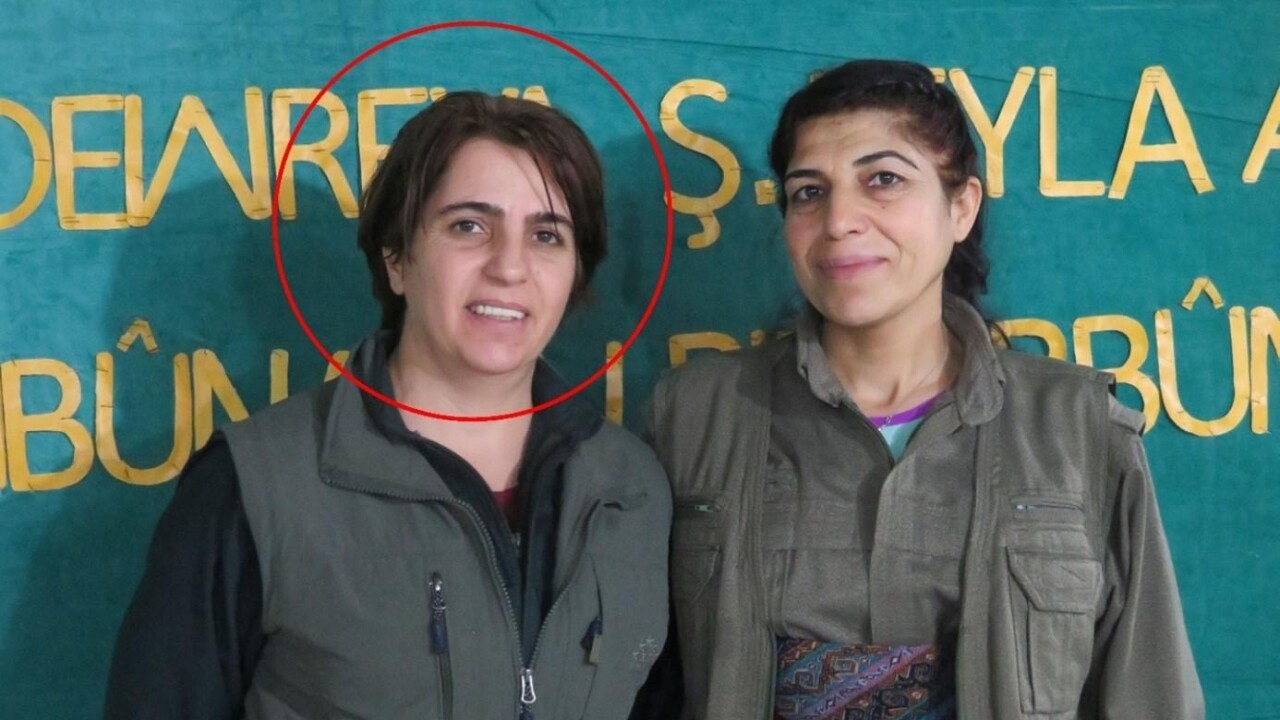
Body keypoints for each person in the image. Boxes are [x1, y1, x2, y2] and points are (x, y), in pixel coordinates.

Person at [646, 60, 1203, 719]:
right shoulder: (692, 417)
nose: (839, 220)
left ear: (960, 206)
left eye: (883, 179)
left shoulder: (1079, 430)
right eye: (809, 192)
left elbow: (1151, 696)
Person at [105, 92, 671, 720]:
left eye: (546, 235)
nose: (510, 267)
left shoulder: (634, 486)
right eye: (469, 226)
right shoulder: (252, 487)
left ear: (576, 273)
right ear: (397, 259)